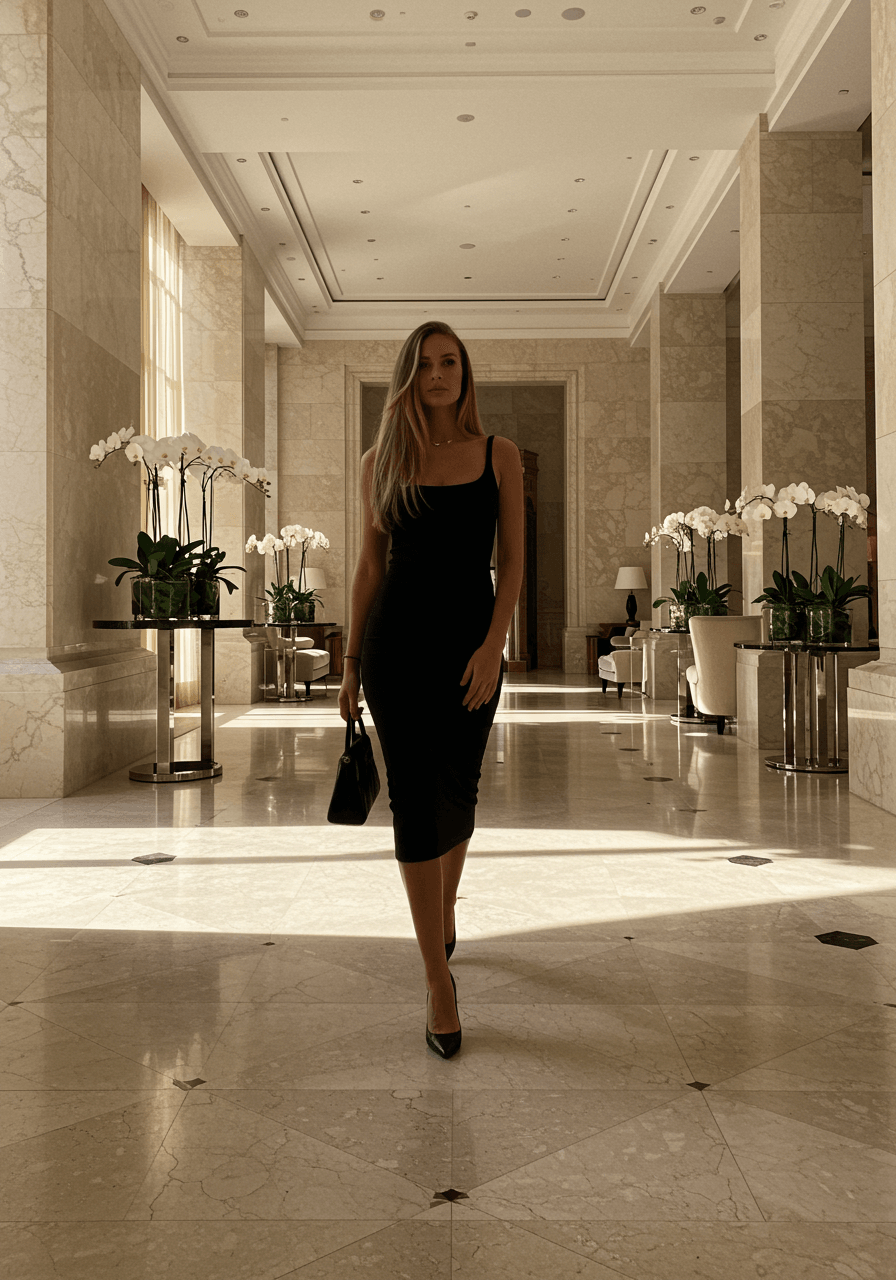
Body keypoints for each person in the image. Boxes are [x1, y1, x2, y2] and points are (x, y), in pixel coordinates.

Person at [338, 321, 524, 1059]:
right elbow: (369, 566)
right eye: (425, 364)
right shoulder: (380, 461)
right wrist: (350, 664)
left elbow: (510, 563)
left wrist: (494, 645)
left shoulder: (498, 455)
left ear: (465, 374)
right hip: (395, 646)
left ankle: (442, 912)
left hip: (470, 644)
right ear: (408, 377)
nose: (439, 374)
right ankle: (436, 980)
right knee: (414, 795)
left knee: (459, 787)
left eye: (450, 363)